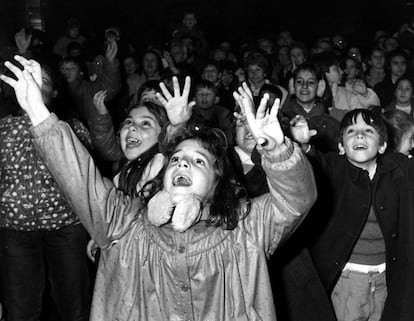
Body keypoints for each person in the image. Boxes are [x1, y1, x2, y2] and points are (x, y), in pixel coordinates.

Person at [1, 55, 317, 321]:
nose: (182, 164)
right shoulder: (125, 226)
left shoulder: (245, 229)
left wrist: (275, 146)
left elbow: (295, 200)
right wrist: (38, 113)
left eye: (199, 162)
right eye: (177, 159)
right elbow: (80, 179)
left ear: (217, 182)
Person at [291, 108, 414, 321]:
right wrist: (303, 145)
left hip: (385, 280)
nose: (359, 135)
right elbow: (314, 162)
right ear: (340, 146)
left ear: (383, 145)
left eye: (368, 131)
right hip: (347, 281)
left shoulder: (398, 171)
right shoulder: (334, 167)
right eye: (351, 131)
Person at [0, 60, 91, 321]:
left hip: (66, 228)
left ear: (55, 93)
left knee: (74, 307)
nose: (34, 86)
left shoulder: (70, 126)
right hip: (15, 231)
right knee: (20, 311)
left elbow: (87, 175)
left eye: (44, 81)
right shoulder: (3, 127)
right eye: (29, 80)